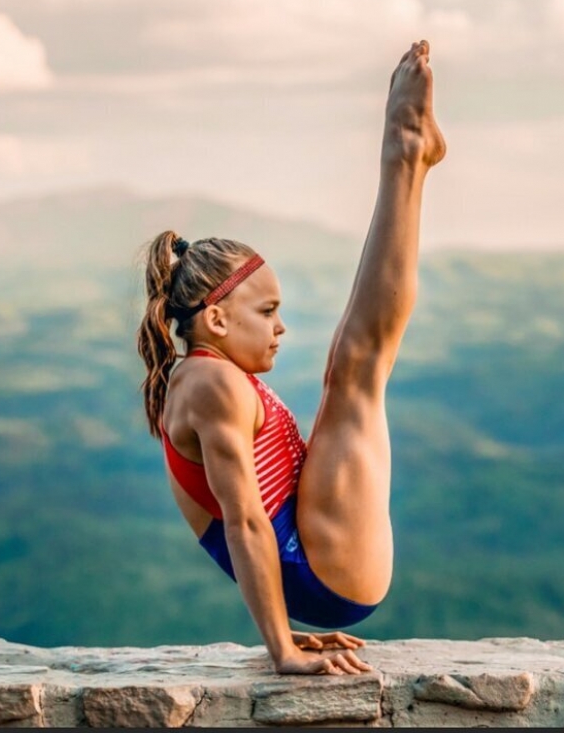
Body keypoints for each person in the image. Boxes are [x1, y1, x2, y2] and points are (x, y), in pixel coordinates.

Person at [136, 40, 446, 676]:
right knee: (356, 367)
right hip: (321, 569)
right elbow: (245, 521)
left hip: (312, 556)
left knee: (353, 368)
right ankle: (405, 156)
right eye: (267, 312)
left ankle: (410, 159)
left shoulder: (204, 376)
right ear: (216, 319)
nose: (281, 328)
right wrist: (282, 649)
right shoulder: (211, 387)